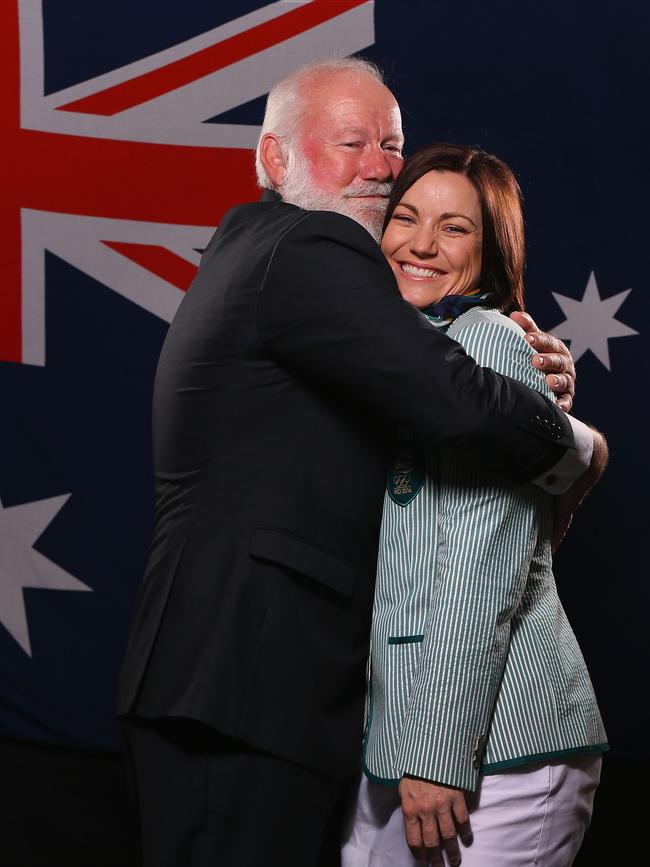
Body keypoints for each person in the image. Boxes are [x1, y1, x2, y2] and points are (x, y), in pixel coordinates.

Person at [117, 59, 606, 867]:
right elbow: (457, 399)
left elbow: (474, 548)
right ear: (276, 160)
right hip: (247, 689)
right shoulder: (309, 244)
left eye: (392, 143)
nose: (380, 166)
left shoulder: (256, 251)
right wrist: (576, 438)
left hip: (240, 689)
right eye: (353, 143)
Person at [341, 144, 607, 867]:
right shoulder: (402, 355)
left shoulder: (487, 344)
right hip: (395, 743)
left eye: (455, 228)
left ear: (492, 254)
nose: (421, 244)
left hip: (496, 745)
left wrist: (437, 752)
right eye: (405, 217)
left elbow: (478, 567)